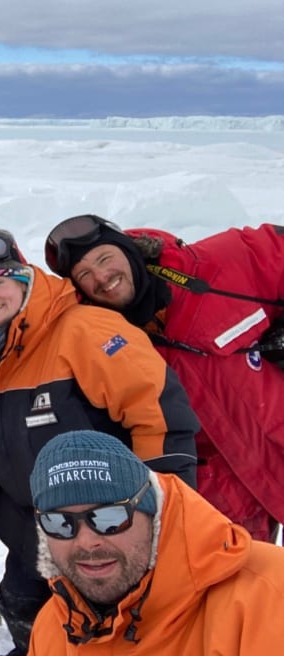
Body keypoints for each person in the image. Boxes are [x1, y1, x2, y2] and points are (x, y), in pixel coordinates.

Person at [0, 225, 200, 656]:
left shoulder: (85, 329)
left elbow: (157, 415)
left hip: (107, 534)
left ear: (24, 277)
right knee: (23, 604)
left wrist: (164, 517)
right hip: (38, 538)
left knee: (110, 631)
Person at [44, 214, 284, 542]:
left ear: (128, 251)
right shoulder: (98, 341)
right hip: (222, 495)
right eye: (85, 274)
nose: (102, 277)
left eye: (105, 258)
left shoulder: (218, 266)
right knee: (247, 587)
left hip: (276, 442)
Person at [28, 429, 284, 654]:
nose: (86, 542)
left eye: (109, 517)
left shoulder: (267, 594)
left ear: (153, 512)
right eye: (59, 522)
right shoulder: (55, 627)